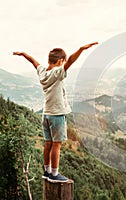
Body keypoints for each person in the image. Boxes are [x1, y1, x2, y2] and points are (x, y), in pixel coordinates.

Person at [13, 42, 98, 183]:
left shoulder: (43, 72)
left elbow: (34, 62)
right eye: (62, 62)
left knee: (48, 143)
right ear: (60, 61)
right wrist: (81, 49)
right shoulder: (57, 73)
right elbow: (70, 61)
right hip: (57, 115)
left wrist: (23, 55)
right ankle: (54, 174)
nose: (64, 64)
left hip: (46, 114)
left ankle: (46, 171)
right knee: (57, 144)